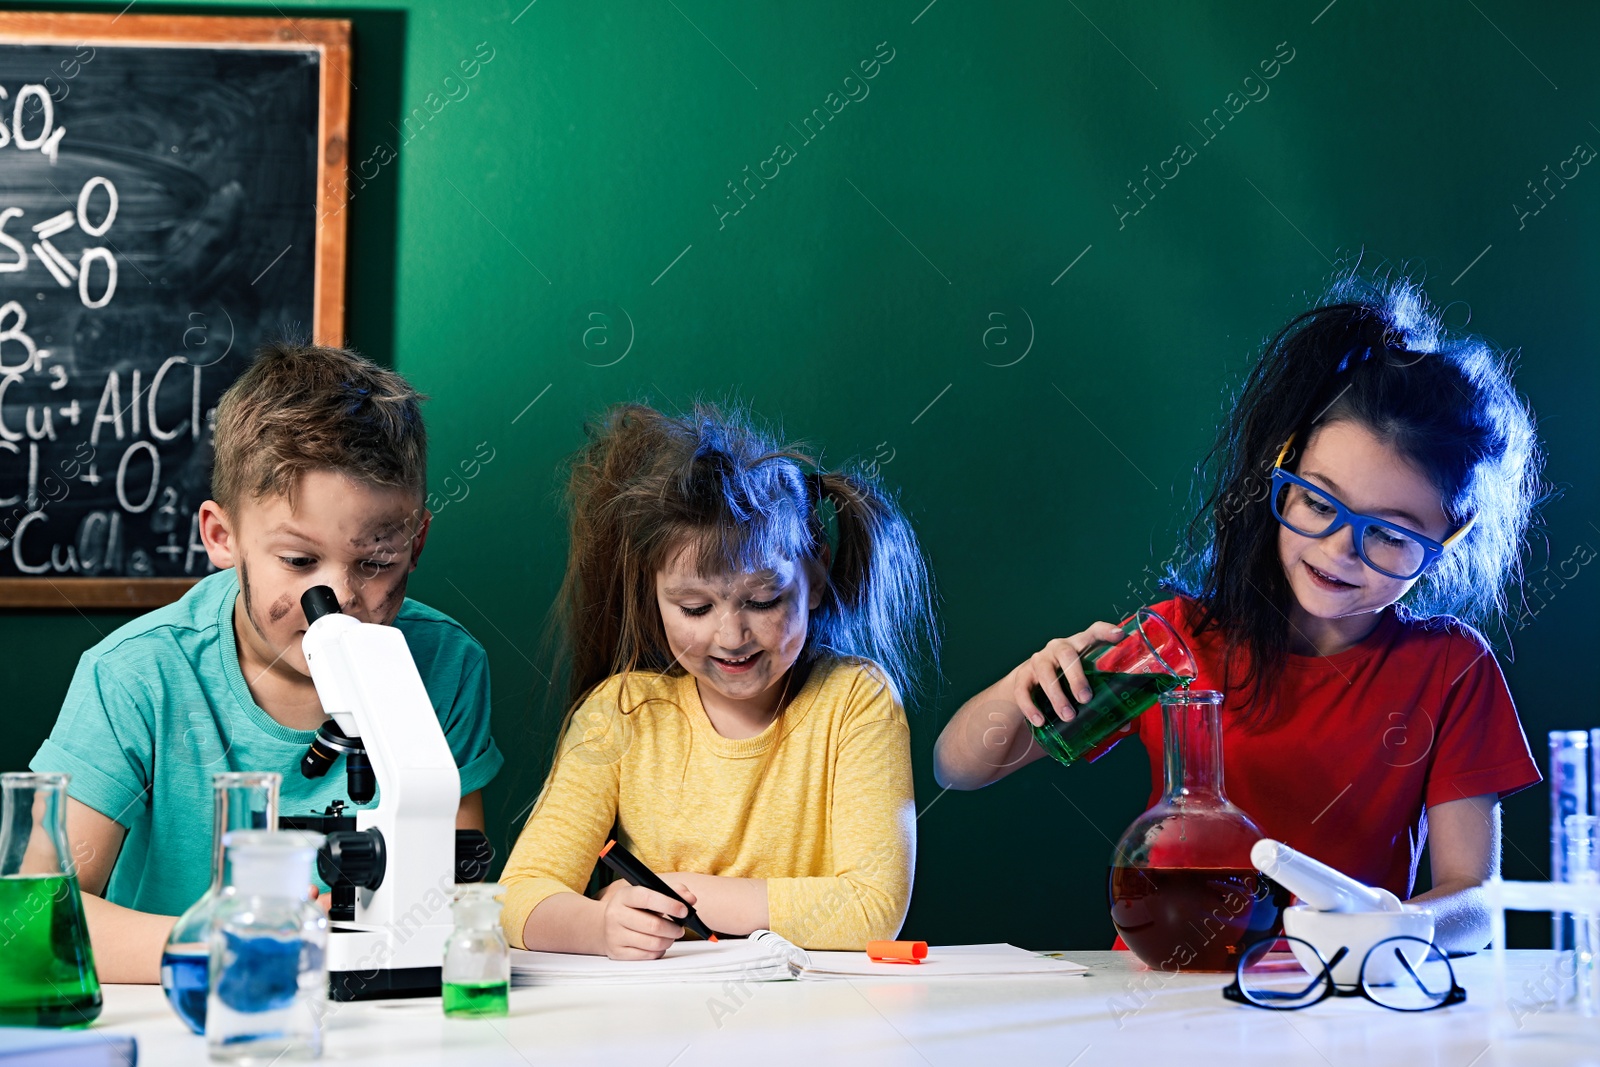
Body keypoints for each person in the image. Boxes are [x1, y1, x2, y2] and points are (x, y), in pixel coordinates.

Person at [933, 275, 1545, 951]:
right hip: (1166, 998)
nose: (1341, 549)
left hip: (1344, 1005)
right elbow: (957, 768)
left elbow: (1476, 898)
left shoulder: (1452, 670)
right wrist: (1025, 687)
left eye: (1393, 534)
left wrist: (1401, 925)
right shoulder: (1178, 640)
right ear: (1278, 471)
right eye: (1317, 502)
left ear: (1449, 538)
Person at [30, 341, 503, 982]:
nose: (337, 600)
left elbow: (454, 885)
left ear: (415, 543)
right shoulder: (137, 677)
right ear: (223, 538)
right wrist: (236, 942)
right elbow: (37, 914)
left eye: (376, 561)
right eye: (300, 562)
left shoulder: (446, 663)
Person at [500, 403, 937, 958]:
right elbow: (518, 897)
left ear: (816, 574)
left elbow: (870, 911)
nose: (731, 636)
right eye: (694, 607)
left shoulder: (855, 701)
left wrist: (690, 894)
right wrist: (599, 925)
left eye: (763, 600)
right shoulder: (620, 713)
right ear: (654, 595)